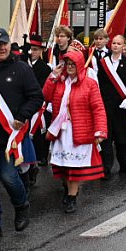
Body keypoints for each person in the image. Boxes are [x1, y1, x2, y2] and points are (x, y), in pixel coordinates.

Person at [0, 28, 43, 240]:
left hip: (11, 136)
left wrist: (22, 116)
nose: (2, 48)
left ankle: (21, 205)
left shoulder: (22, 69)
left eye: (5, 44)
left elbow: (36, 97)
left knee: (8, 176)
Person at [43, 51, 107, 213]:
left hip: (79, 129)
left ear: (79, 64)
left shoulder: (89, 83)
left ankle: (72, 196)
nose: (70, 67)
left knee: (75, 166)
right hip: (60, 130)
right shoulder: (59, 81)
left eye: (73, 64)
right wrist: (52, 77)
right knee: (63, 165)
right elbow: (45, 96)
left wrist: (100, 131)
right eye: (67, 64)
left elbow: (98, 108)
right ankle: (68, 188)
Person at [96, 34, 126, 177]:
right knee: (106, 139)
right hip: (106, 105)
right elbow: (99, 83)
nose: (116, 46)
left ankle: (124, 164)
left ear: (123, 46)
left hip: (122, 107)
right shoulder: (103, 63)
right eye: (114, 43)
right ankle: (106, 169)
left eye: (119, 44)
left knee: (122, 139)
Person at [23, 33, 52, 178]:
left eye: (35, 49)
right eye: (30, 49)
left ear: (40, 51)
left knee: (37, 137)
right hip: (23, 106)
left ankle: (35, 163)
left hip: (38, 107)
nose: (32, 52)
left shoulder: (45, 68)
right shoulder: (22, 65)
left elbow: (43, 87)